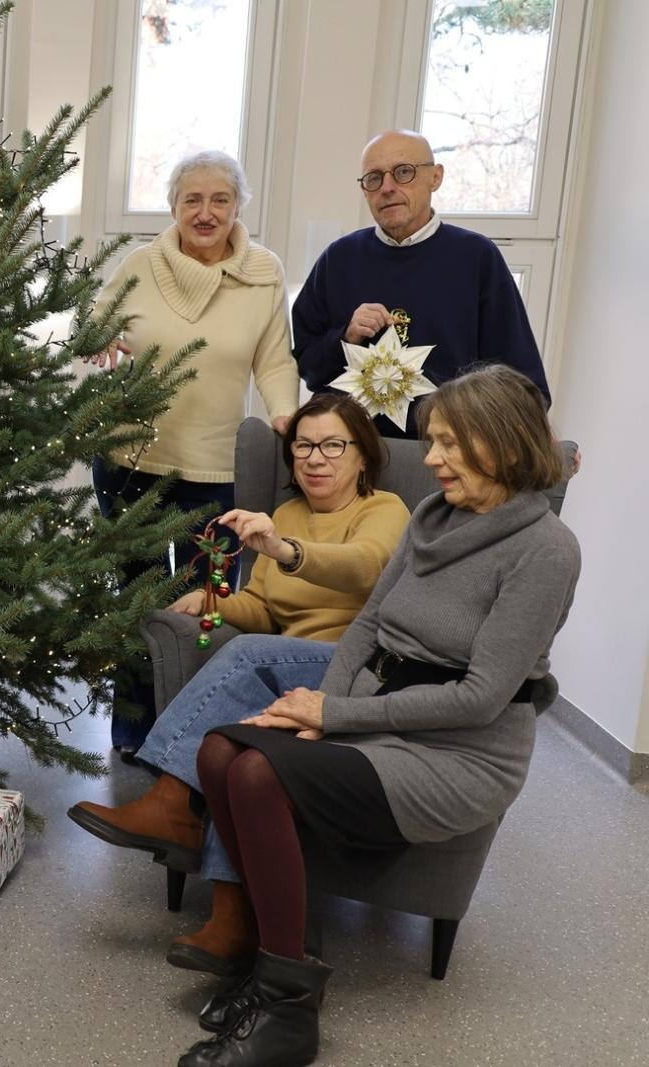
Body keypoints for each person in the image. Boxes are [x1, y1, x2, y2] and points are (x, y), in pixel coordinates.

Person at [174, 364, 579, 1067]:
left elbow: (481, 696)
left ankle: (289, 1014)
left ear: (503, 442)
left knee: (261, 776)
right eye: (434, 441)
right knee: (218, 754)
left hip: (460, 753)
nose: (431, 459)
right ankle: (281, 962)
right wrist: (323, 705)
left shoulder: (545, 549)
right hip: (377, 715)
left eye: (450, 444)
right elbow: (367, 625)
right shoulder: (433, 516)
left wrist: (337, 715)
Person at [69, 394, 409, 974]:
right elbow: (262, 606)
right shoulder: (292, 512)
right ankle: (231, 917)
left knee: (250, 656)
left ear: (362, 457)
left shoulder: (386, 509)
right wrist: (210, 603)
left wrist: (283, 548)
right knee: (242, 751)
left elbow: (365, 564)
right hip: (287, 660)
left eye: (332, 446)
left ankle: (171, 800)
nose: (315, 459)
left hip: (354, 668)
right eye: (303, 446)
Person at [87, 150, 300, 754]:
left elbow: (275, 359)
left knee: (210, 604)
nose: (206, 213)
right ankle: (134, 734)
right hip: (133, 462)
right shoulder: (140, 264)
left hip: (219, 472)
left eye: (220, 200)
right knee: (139, 600)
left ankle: (192, 739)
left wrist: (286, 417)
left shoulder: (263, 271)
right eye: (192, 200)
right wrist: (102, 340)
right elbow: (94, 324)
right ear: (175, 206)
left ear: (238, 206)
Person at [292, 129, 549, 438]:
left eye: (404, 172)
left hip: (448, 450)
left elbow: (515, 375)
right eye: (374, 178)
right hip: (355, 453)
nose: (387, 188)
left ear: (435, 177)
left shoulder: (476, 257)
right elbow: (308, 366)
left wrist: (538, 435)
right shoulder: (339, 259)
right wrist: (345, 337)